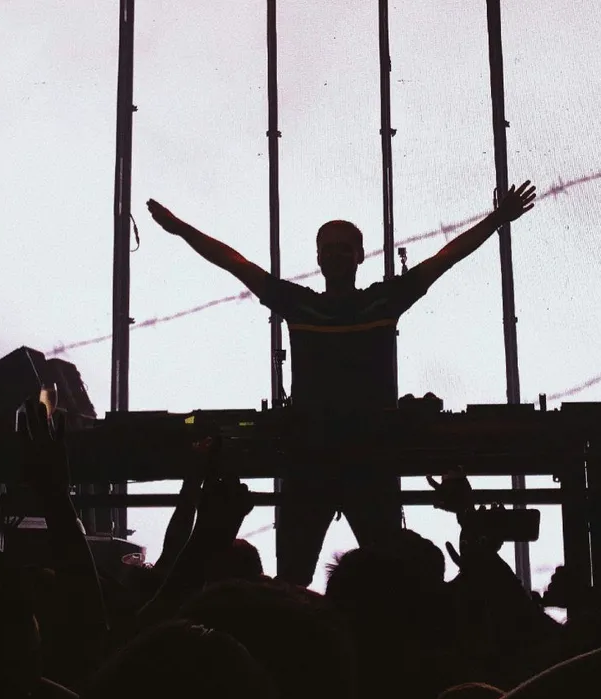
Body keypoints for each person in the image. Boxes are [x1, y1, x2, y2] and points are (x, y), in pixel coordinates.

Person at [147, 182, 536, 585]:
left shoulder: (329, 304)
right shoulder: (363, 304)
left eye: (341, 247)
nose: (334, 254)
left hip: (336, 458)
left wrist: (496, 220)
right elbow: (234, 262)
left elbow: (444, 259)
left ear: (358, 256)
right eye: (328, 248)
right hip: (346, 457)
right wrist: (181, 229)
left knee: (339, 575)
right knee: (355, 574)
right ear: (318, 257)